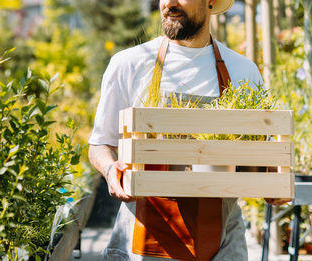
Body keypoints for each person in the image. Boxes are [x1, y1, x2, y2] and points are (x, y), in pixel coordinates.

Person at [87, 0, 290, 260]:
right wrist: (109, 169)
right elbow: (100, 145)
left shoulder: (243, 71)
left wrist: (271, 180)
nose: (169, 3)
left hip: (222, 243)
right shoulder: (128, 64)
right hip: (144, 237)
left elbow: (259, 157)